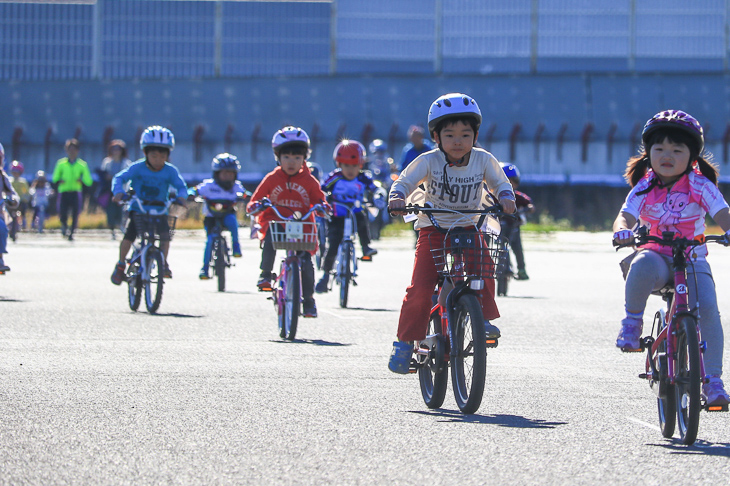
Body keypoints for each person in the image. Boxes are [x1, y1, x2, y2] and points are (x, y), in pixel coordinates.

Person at [387, 92, 516, 374]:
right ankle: (406, 342)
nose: (458, 141)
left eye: (465, 134)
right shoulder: (429, 160)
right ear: (436, 137)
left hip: (469, 227)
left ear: (475, 135)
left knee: (484, 270)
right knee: (420, 289)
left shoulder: (483, 159)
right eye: (450, 135)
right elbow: (405, 181)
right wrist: (397, 196)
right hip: (433, 229)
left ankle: (481, 319)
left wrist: (507, 197)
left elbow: (499, 182)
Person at [612, 109, 730, 406]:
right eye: (660, 148)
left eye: (677, 150)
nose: (667, 155)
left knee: (709, 313)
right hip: (656, 257)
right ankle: (632, 323)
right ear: (648, 153)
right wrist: (623, 231)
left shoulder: (701, 185)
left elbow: (723, 214)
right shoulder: (646, 185)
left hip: (692, 259)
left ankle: (713, 381)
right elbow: (624, 216)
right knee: (640, 263)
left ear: (692, 157)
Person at [246, 126, 329, 318]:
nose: (291, 162)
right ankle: (266, 274)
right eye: (286, 157)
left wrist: (323, 207)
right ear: (278, 157)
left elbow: (319, 199)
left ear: (304, 159)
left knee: (306, 263)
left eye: (297, 158)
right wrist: (255, 206)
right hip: (277, 224)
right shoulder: (272, 178)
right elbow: (255, 199)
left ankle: (308, 301)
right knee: (269, 240)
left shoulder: (309, 180)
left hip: (302, 227)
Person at [109, 126, 187, 285]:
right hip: (139, 209)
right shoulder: (137, 168)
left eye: (163, 155)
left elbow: (181, 186)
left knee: (165, 237)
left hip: (160, 211)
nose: (158, 160)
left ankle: (163, 262)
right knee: (129, 236)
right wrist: (118, 192)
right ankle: (121, 264)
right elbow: (119, 178)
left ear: (168, 155)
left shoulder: (170, 171)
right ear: (145, 153)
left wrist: (182, 197)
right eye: (154, 155)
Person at [315, 139, 386, 293]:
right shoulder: (335, 177)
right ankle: (326, 276)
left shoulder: (362, 178)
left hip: (354, 212)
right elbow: (321, 189)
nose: (350, 170)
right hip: (337, 215)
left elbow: (375, 188)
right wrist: (322, 198)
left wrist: (378, 195)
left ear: (360, 165)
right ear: (339, 164)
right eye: (346, 165)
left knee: (362, 220)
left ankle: (366, 246)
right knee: (333, 244)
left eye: (354, 166)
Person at [188, 153, 249, 280]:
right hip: (211, 217)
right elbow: (196, 190)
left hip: (227, 215)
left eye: (230, 173)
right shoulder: (209, 185)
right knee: (210, 240)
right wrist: (190, 194)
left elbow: (244, 193)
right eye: (224, 173)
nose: (227, 176)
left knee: (233, 222)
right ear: (217, 174)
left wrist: (248, 196)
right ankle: (205, 268)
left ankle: (236, 245)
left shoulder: (236, 186)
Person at [52, 138, 92, 241]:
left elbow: (88, 181)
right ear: (66, 150)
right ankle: (64, 225)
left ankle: (72, 232)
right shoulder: (61, 163)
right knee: (63, 212)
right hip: (64, 191)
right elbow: (55, 178)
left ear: (78, 151)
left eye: (74, 150)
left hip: (75, 191)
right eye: (70, 150)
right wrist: (59, 181)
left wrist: (81, 180)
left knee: (75, 213)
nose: (72, 152)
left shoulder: (82, 165)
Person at [499, 162, 534, 280]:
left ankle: (521, 269)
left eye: (511, 181)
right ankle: (501, 267)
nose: (508, 185)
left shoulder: (518, 196)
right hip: (497, 227)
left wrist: (525, 210)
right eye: (505, 181)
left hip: (513, 226)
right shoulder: (493, 196)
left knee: (517, 248)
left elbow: (530, 205)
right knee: (497, 247)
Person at [99, 140, 132, 239]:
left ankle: (122, 227)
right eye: (114, 150)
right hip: (110, 191)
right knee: (111, 211)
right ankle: (112, 229)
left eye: (118, 150)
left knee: (122, 210)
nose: (116, 152)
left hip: (123, 190)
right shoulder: (107, 162)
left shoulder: (126, 163)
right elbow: (103, 175)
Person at [0, 162, 19, 273]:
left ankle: (0, 258)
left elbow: (12, 193)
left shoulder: (2, 177)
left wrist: (13, 199)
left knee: (1, 227)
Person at [8, 160, 30, 230]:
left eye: (17, 172)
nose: (15, 174)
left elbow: (26, 192)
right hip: (11, 200)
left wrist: (26, 197)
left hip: (20, 200)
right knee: (8, 212)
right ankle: (9, 224)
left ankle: (23, 223)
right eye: (14, 172)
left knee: (23, 210)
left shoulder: (22, 182)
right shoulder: (9, 181)